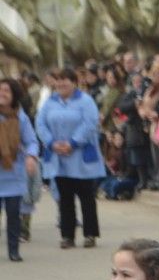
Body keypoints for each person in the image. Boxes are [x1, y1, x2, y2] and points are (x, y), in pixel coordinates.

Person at [36, 68, 106, 249]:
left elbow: (90, 123)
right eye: (58, 81)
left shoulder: (85, 101)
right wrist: (51, 143)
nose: (61, 84)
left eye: (65, 81)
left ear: (74, 82)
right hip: (59, 157)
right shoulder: (50, 102)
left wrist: (73, 143)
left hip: (80, 156)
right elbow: (40, 123)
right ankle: (67, 236)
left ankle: (90, 234)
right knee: (65, 199)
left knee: (86, 197)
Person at [0, 78, 39, 261]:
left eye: (6, 90)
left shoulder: (20, 117)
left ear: (14, 94)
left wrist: (31, 157)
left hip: (13, 174)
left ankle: (14, 250)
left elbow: (31, 141)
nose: (2, 93)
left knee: (14, 215)